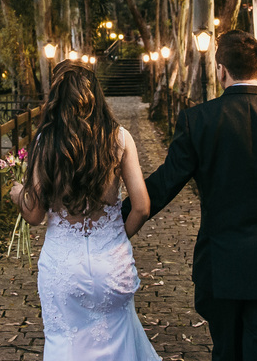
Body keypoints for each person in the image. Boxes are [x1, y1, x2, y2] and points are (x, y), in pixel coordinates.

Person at [131, 30, 257, 361]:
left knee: (226, 353)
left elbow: (165, 183)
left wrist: (114, 220)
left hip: (221, 267)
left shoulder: (197, 120)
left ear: (220, 70)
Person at [9, 60, 161, 361]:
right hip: (112, 265)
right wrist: (114, 236)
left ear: (57, 98)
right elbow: (141, 207)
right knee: (121, 342)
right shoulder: (119, 138)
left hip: (63, 268)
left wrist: (17, 194)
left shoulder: (47, 141)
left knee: (66, 344)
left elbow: (35, 214)